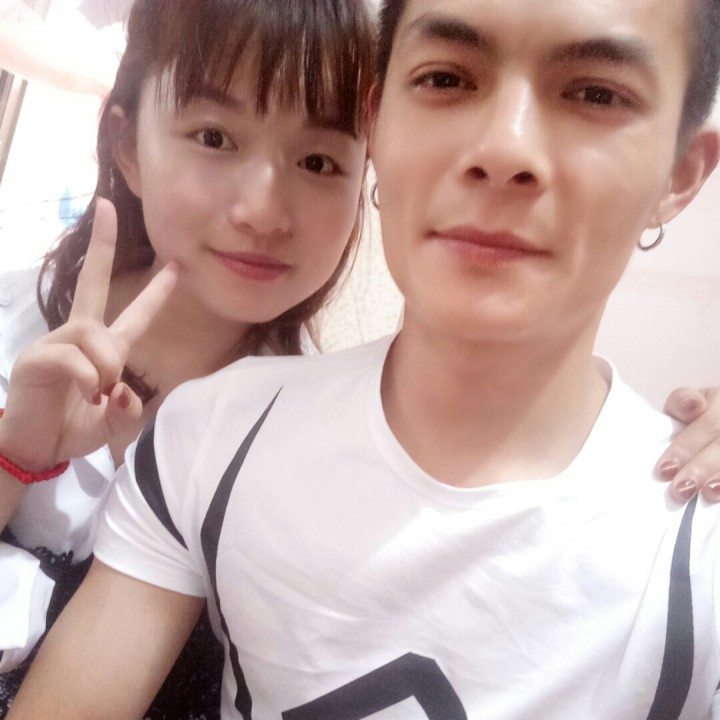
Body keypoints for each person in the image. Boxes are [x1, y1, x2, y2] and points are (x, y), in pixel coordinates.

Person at [6, 0, 720, 717]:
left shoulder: (691, 536)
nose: (263, 211)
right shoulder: (203, 433)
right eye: (446, 79)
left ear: (683, 173)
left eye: (596, 94)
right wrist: (17, 455)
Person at [0, 0, 375, 716]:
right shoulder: (11, 321)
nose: (264, 211)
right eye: (214, 136)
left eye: (318, 161)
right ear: (128, 145)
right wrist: (17, 454)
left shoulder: (318, 448)